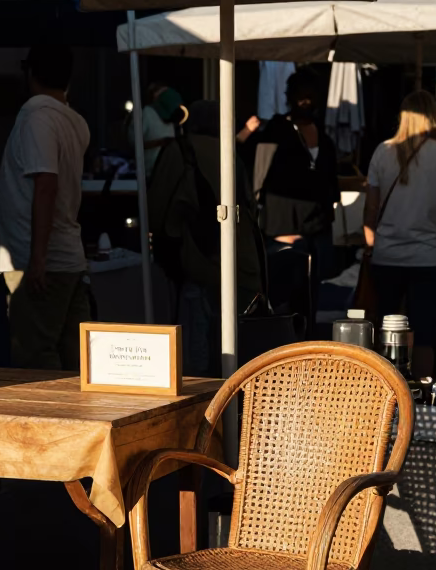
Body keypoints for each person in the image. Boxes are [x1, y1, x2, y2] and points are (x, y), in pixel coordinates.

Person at [0, 45, 91, 371]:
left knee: (36, 359)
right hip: (63, 257)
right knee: (72, 356)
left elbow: (46, 185)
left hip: (40, 261)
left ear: (30, 73)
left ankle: (56, 422)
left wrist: (38, 258)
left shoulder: (38, 115)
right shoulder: (73, 120)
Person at [147, 101, 263, 375]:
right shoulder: (229, 153)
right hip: (238, 260)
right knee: (227, 344)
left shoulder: (181, 151)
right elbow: (250, 205)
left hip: (197, 260)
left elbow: (157, 209)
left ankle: (202, 407)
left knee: (195, 347)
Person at [362, 91, 436, 378]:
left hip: (387, 256)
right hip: (430, 257)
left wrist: (370, 247)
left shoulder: (382, 151)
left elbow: (370, 209)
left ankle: (384, 396)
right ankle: (420, 401)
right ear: (434, 117)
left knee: (385, 333)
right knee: (423, 336)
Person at [251, 70, 339, 330]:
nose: (306, 102)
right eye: (301, 96)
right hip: (282, 226)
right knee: (280, 296)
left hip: (316, 225)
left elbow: (328, 176)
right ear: (290, 98)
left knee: (310, 295)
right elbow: (258, 171)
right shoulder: (276, 130)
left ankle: (306, 341)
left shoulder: (323, 135)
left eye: (310, 97)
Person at [132, 85, 186, 180]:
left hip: (171, 173)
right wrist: (161, 142)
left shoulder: (175, 121)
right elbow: (133, 144)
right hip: (149, 174)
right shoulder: (147, 113)